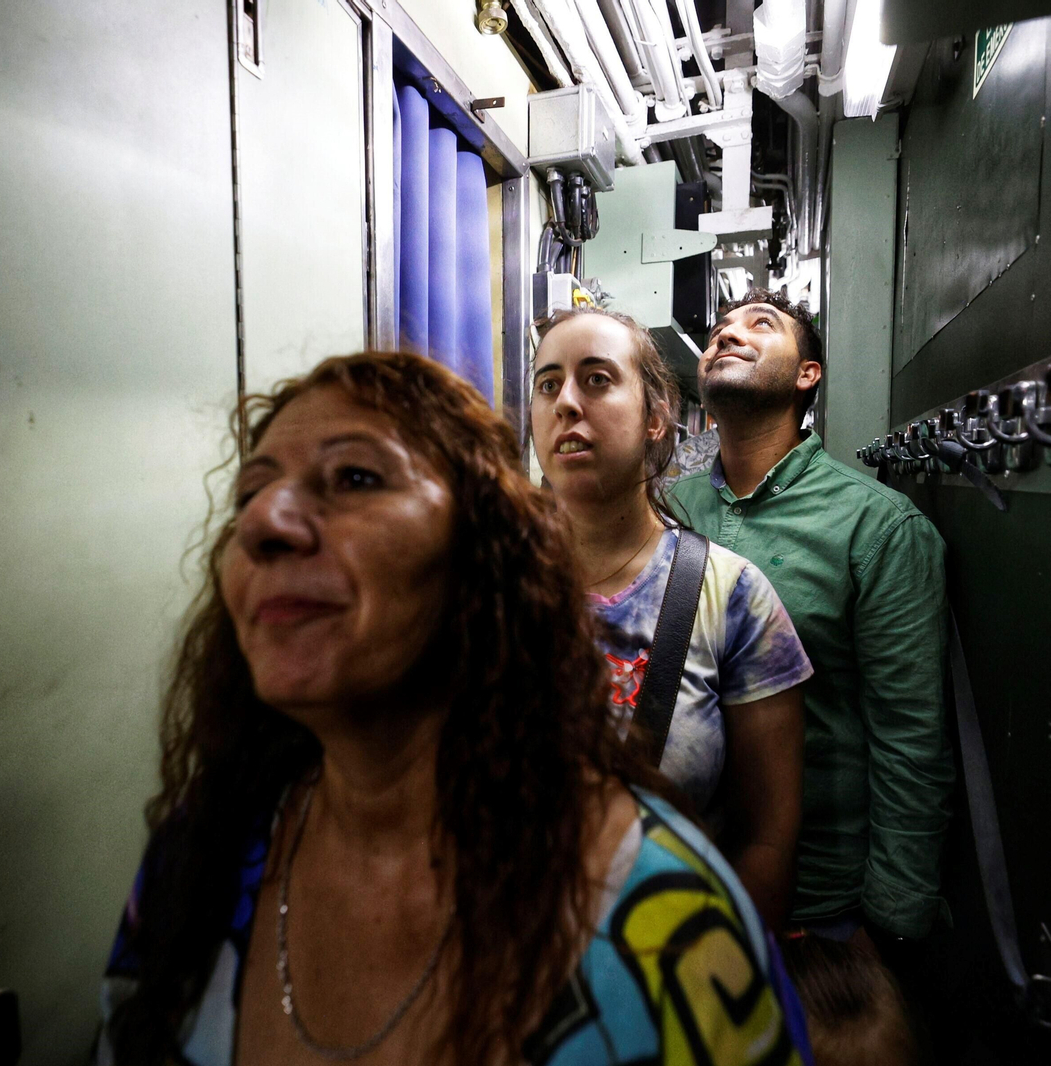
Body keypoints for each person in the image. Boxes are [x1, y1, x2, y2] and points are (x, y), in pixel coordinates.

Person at [96, 351, 809, 1066]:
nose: (264, 523)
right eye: (252, 491)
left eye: (355, 478)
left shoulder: (668, 929)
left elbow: (771, 825)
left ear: (483, 556)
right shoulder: (200, 855)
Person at [666, 290, 953, 994]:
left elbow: (909, 736)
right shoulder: (669, 509)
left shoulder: (876, 527)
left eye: (759, 325)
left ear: (808, 375)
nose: (727, 335)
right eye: (719, 330)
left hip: (820, 907)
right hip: (676, 884)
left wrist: (889, 926)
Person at [530, 308, 812, 931]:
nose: (566, 403)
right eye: (548, 383)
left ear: (657, 418)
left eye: (598, 379)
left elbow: (766, 840)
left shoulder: (731, 597)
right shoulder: (483, 587)